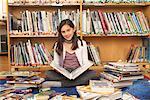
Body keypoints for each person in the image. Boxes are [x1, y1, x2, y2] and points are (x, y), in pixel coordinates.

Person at [45, 19, 97, 87]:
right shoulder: (57, 45)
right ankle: (76, 83)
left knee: (93, 73)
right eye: (63, 32)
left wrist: (82, 70)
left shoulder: (82, 43)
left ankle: (61, 84)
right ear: (60, 33)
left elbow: (85, 62)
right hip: (64, 73)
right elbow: (56, 64)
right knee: (48, 73)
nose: (66, 34)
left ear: (73, 29)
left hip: (78, 72)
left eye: (68, 30)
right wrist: (57, 69)